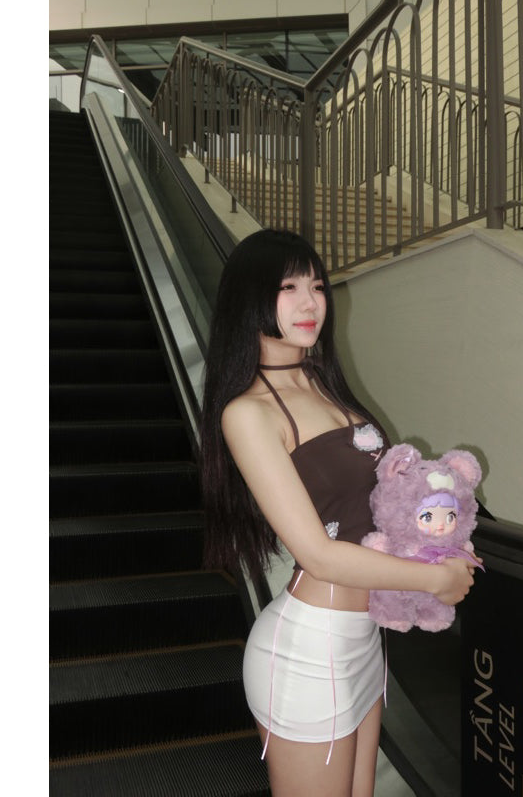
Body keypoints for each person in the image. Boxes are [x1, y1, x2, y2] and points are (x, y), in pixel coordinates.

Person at [199, 229, 480, 797]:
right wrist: (434, 579)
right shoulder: (248, 412)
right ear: (250, 298)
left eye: (318, 286)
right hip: (308, 652)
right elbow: (318, 554)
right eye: (288, 287)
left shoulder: (322, 382)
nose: (310, 303)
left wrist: (439, 538)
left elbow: (377, 507)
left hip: (363, 639)